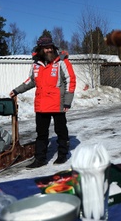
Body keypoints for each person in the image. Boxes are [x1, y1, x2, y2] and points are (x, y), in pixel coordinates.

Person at [9, 37, 76, 168]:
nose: (49, 49)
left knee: (61, 130)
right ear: (40, 49)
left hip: (58, 103)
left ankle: (62, 154)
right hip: (41, 104)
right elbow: (31, 81)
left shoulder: (62, 62)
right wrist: (16, 91)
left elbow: (70, 81)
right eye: (46, 48)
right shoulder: (35, 65)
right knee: (41, 133)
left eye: (50, 47)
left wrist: (67, 102)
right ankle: (40, 159)